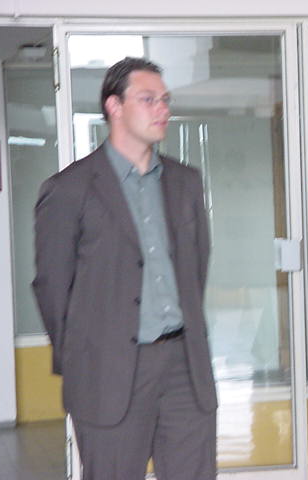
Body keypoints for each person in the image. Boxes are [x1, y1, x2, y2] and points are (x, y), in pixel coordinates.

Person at [32, 57, 217, 480]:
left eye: (165, 100)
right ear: (114, 106)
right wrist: (84, 358)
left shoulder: (186, 182)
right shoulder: (69, 189)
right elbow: (52, 287)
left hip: (185, 369)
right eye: (148, 99)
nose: (162, 109)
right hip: (107, 373)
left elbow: (196, 268)